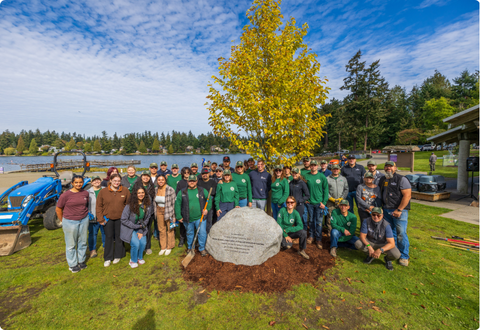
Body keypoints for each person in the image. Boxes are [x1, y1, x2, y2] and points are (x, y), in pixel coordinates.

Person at [379, 161, 412, 267]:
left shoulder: (402, 179)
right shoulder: (383, 179)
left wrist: (399, 209)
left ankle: (404, 256)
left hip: (398, 211)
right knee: (391, 233)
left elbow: (407, 196)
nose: (388, 168)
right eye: (387, 166)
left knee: (401, 233)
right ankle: (395, 252)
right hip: (386, 210)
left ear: (395, 168)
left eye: (391, 166)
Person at [56, 175, 89, 273]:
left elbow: (85, 205)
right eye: (76, 182)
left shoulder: (85, 193)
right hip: (70, 221)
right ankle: (73, 264)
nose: (79, 184)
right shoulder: (65, 195)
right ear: (72, 183)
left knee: (82, 242)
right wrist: (63, 221)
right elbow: (58, 209)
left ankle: (81, 261)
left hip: (83, 219)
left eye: (80, 182)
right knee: (71, 244)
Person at [96, 173, 130, 267]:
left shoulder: (125, 191)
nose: (117, 182)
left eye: (118, 181)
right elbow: (99, 206)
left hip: (121, 219)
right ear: (110, 180)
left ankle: (118, 255)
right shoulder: (103, 192)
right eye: (115, 181)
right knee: (109, 237)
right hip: (107, 218)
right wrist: (100, 218)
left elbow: (128, 205)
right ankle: (108, 257)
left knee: (119, 237)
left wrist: (127, 217)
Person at [174, 175, 212, 257]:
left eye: (193, 181)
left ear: (196, 181)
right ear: (187, 182)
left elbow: (209, 201)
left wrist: (207, 209)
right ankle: (190, 247)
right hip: (188, 218)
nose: (192, 182)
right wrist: (178, 216)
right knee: (189, 233)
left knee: (202, 233)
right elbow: (177, 204)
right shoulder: (182, 192)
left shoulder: (202, 190)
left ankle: (202, 248)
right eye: (190, 181)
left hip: (200, 217)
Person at [120, 187, 153, 268]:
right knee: (136, 244)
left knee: (143, 242)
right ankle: (133, 260)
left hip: (141, 227)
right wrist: (136, 226)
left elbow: (147, 218)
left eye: (142, 192)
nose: (141, 194)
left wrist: (141, 229)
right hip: (130, 228)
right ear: (135, 194)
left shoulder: (147, 205)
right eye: (139, 193)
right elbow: (123, 219)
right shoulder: (129, 206)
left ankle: (139, 258)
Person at [304, 160, 329, 249]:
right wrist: (305, 198)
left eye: (315, 165)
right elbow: (303, 188)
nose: (313, 167)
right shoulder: (306, 176)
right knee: (311, 221)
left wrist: (324, 202)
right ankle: (311, 236)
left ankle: (318, 239)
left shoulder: (321, 176)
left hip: (319, 204)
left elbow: (326, 190)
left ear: (317, 166)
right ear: (310, 166)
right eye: (312, 165)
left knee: (319, 222)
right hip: (310, 203)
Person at [132, 171, 157, 254]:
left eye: (147, 176)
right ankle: (138, 245)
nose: (145, 177)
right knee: (138, 229)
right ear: (141, 177)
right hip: (138, 210)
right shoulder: (136, 185)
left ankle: (147, 247)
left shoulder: (152, 186)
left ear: (150, 177)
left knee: (148, 229)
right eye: (144, 176)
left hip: (149, 211)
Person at [155, 175, 177, 256]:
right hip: (159, 210)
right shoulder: (156, 189)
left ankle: (169, 246)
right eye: (159, 180)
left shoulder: (170, 189)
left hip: (169, 211)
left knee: (170, 229)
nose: (160, 181)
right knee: (161, 229)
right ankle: (163, 247)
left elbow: (174, 203)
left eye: (162, 179)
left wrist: (174, 216)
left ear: (165, 180)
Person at [326, 164, 349, 236]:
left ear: (339, 170)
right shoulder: (327, 179)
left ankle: (341, 232)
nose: (336, 170)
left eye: (337, 169)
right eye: (334, 169)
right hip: (330, 202)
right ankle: (330, 232)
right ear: (331, 170)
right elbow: (325, 190)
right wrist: (331, 198)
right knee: (330, 217)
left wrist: (342, 198)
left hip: (341, 202)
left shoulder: (343, 179)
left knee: (341, 216)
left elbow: (346, 189)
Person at [87, 176, 105, 258]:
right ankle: (92, 250)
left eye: (98, 180)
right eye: (94, 180)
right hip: (93, 217)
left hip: (104, 217)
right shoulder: (88, 192)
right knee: (93, 234)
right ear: (91, 182)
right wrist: (88, 213)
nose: (97, 181)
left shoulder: (105, 190)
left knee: (105, 233)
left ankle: (106, 247)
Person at [175, 167, 191, 247]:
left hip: (191, 206)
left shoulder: (193, 181)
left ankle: (190, 238)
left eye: (188, 172)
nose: (187, 174)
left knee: (190, 224)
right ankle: (182, 239)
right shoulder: (180, 183)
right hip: (183, 206)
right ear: (183, 173)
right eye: (185, 172)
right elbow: (177, 195)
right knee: (182, 224)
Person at [197, 168, 217, 233]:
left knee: (209, 221)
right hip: (200, 204)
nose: (205, 175)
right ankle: (201, 235)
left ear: (208, 174)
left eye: (206, 173)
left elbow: (213, 192)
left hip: (209, 204)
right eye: (203, 174)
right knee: (200, 221)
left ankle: (208, 235)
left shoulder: (213, 182)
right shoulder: (198, 182)